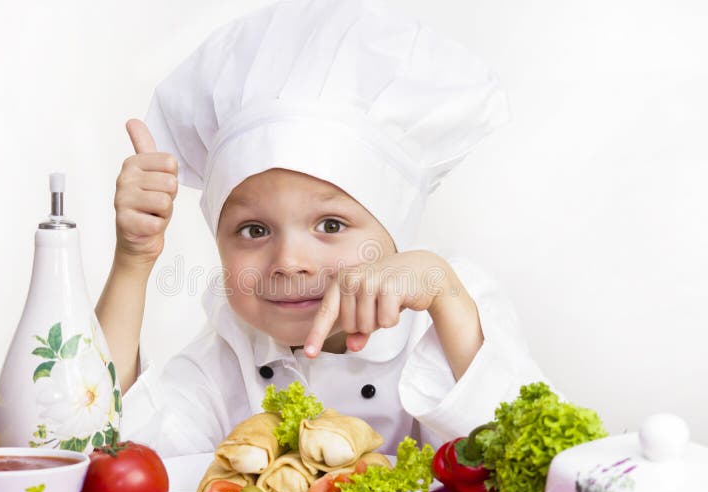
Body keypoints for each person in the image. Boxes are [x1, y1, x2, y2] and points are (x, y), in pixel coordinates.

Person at [96, 0, 548, 457]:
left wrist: (450, 302)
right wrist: (132, 262)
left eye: (331, 224)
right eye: (254, 231)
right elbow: (99, 448)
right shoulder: (226, 354)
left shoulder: (453, 308)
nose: (289, 261)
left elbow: (539, 466)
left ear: (394, 231)